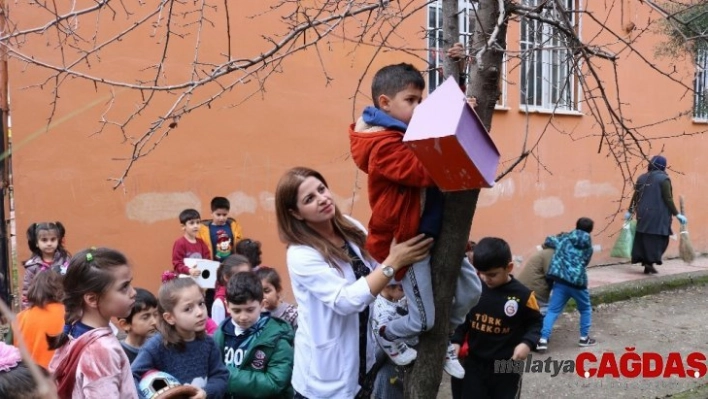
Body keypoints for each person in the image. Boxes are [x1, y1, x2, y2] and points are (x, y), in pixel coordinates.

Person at [349, 62, 482, 378]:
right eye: (411, 100)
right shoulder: (381, 144)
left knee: (472, 291)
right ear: (385, 103)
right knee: (423, 321)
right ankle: (389, 335)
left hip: (435, 234)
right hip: (409, 243)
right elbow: (424, 169)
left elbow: (434, 125)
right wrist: (457, 125)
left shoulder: (406, 130)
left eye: (421, 100)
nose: (419, 107)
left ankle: (447, 341)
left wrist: (460, 103)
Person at [275, 166, 433, 399]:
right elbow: (345, 300)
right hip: (325, 377)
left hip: (361, 360)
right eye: (310, 199)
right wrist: (394, 261)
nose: (322, 199)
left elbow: (376, 268)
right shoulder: (301, 254)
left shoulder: (349, 227)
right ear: (296, 213)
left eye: (321, 189)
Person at [452, 237, 542, 399]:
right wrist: (457, 341)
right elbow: (463, 318)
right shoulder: (474, 290)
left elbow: (535, 324)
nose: (485, 279)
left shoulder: (523, 296)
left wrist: (527, 343)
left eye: (492, 274)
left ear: (509, 267)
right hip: (474, 363)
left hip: (507, 365)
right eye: (481, 274)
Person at [48, 247, 138, 399]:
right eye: (124, 287)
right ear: (92, 299)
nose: (133, 292)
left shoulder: (74, 330)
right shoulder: (101, 351)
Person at [131, 277, 229, 399]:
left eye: (201, 303)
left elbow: (220, 376)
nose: (200, 312)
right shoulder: (155, 346)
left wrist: (206, 392)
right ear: (169, 318)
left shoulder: (209, 343)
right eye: (188, 309)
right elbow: (131, 376)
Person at [213, 271, 294, 399]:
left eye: (250, 310)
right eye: (236, 310)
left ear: (262, 305)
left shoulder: (278, 336)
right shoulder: (221, 332)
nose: (243, 317)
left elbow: (274, 383)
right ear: (227, 305)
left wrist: (224, 374)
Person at [536, 218, 597, 353]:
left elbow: (549, 240)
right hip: (578, 283)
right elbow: (585, 262)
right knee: (585, 309)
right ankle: (583, 338)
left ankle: (542, 340)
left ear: (576, 226)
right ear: (590, 230)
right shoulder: (588, 247)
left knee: (552, 311)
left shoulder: (564, 239)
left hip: (561, 280)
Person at [626, 155, 687, 274]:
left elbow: (635, 197)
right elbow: (668, 199)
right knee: (658, 239)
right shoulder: (664, 179)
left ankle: (646, 263)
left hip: (643, 213)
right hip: (658, 214)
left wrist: (630, 211)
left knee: (644, 237)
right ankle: (649, 262)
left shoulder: (641, 178)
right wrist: (677, 214)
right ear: (663, 165)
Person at [14, 270, 65, 368]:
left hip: (30, 377)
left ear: (33, 288)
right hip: (59, 376)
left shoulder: (20, 318)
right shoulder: (69, 314)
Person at [371, 281, 410, 399]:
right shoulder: (379, 311)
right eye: (401, 287)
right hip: (388, 373)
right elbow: (377, 352)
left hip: (403, 371)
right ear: (387, 286)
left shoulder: (399, 302)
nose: (403, 290)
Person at [22, 222, 71, 309]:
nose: (49, 243)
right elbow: (27, 292)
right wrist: (27, 312)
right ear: (36, 243)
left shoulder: (65, 261)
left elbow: (72, 285)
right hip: (41, 308)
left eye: (53, 239)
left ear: (58, 240)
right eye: (44, 240)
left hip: (63, 308)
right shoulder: (32, 266)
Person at [116, 288, 159, 364]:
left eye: (155, 315)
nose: (154, 322)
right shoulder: (118, 354)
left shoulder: (158, 347)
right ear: (125, 324)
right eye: (145, 317)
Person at [197, 196, 244, 262]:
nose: (221, 218)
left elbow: (240, 245)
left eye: (224, 215)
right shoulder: (203, 229)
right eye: (218, 215)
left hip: (230, 265)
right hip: (212, 265)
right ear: (211, 213)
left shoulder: (234, 226)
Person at [212, 254, 252, 326]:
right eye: (241, 276)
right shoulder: (220, 303)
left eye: (248, 275)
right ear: (227, 277)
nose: (246, 279)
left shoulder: (252, 295)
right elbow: (217, 331)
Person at [255, 266, 298, 330]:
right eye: (258, 292)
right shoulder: (257, 314)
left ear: (278, 290)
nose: (262, 296)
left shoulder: (291, 314)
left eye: (266, 291)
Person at [516, 246, 555, 315]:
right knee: (553, 309)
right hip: (533, 291)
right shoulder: (550, 253)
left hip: (523, 288)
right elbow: (551, 274)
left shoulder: (544, 252)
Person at [172, 209, 210, 278]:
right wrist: (189, 270)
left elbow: (207, 260)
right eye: (192, 223)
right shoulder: (180, 243)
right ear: (183, 226)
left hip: (200, 279)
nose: (196, 226)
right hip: (185, 281)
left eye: (198, 222)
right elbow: (177, 264)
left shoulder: (202, 242)